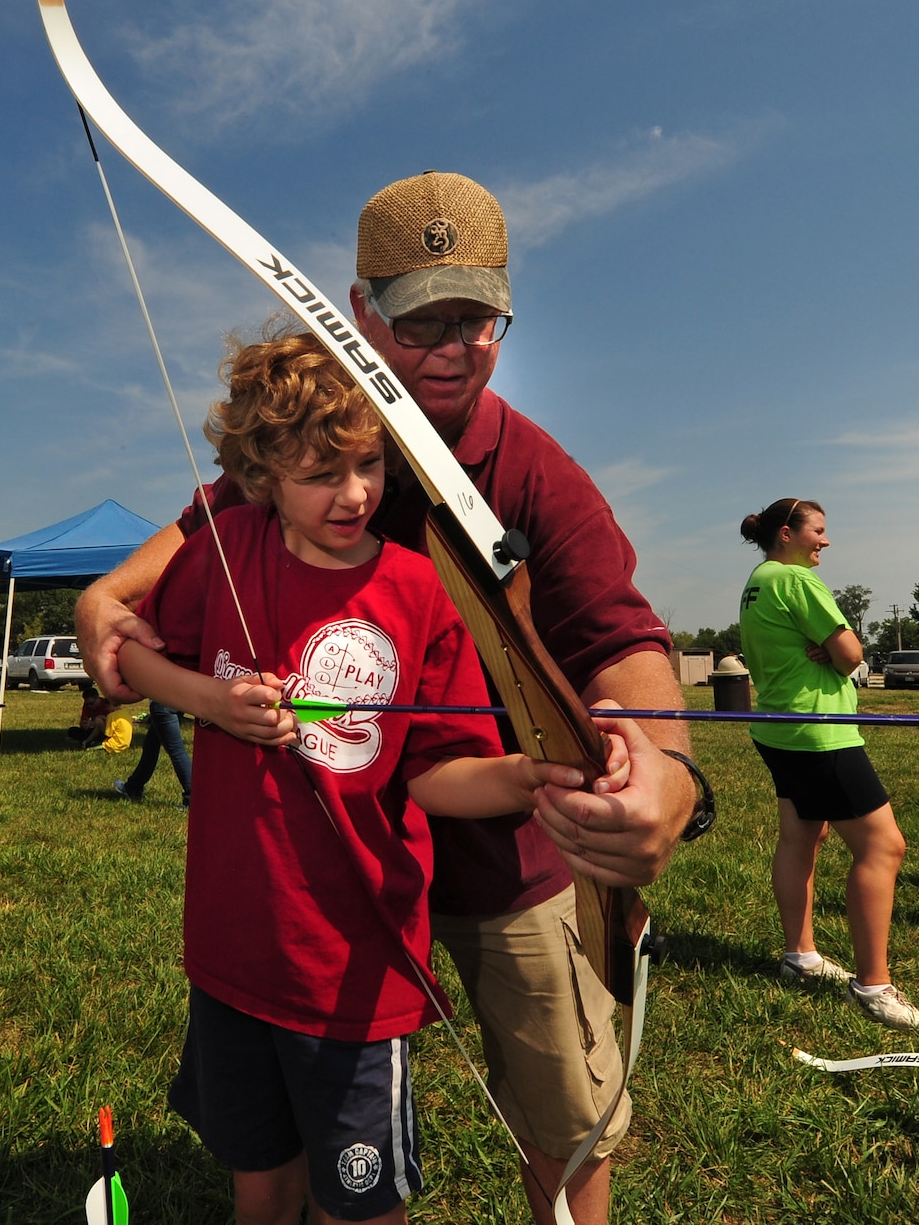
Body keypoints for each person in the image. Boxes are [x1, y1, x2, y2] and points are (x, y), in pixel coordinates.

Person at [77, 171, 695, 1221]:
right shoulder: (309, 440)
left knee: (562, 1120)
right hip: (330, 870)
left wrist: (665, 772)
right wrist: (104, 604)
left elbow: (621, 637)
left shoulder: (533, 468)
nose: (452, 349)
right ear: (359, 316)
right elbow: (145, 580)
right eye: (419, 323)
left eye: (477, 320)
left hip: (507, 840)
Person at [119, 329, 624, 1225]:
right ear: (263, 473)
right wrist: (213, 698)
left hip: (351, 971)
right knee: (261, 1189)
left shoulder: (419, 592)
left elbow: (435, 774)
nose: (355, 495)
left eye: (369, 466)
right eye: (322, 475)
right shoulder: (226, 550)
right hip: (233, 950)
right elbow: (132, 660)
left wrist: (525, 775)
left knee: (359, 1207)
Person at [736, 498, 919, 1031]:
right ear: (788, 533)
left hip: (779, 727)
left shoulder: (759, 579)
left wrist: (826, 646)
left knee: (802, 836)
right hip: (819, 732)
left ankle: (800, 957)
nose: (825, 541)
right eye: (819, 532)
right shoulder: (798, 580)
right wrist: (839, 648)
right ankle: (874, 987)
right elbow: (851, 653)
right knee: (882, 845)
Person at [115, 701, 193, 806]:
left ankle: (192, 798)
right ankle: (134, 787)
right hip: (177, 701)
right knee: (151, 746)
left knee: (176, 751)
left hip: (162, 704)